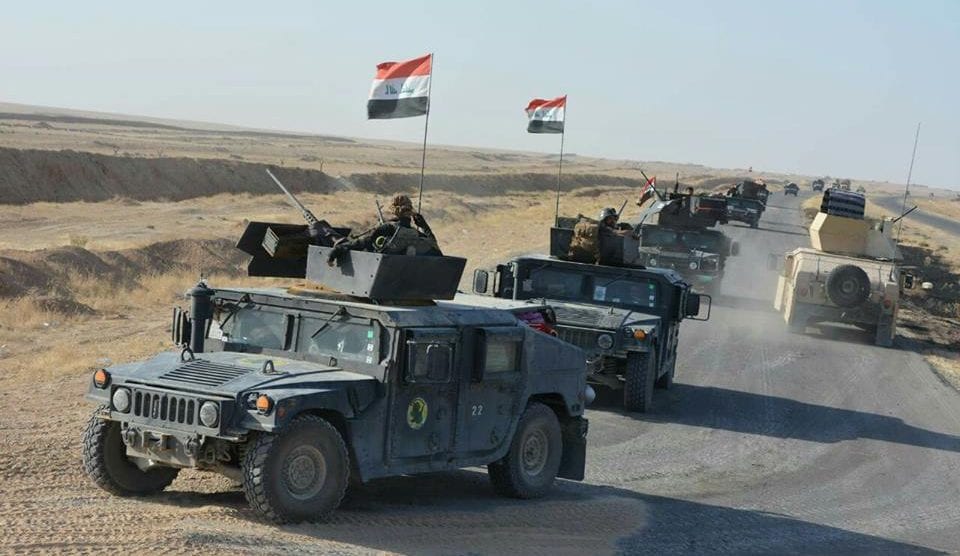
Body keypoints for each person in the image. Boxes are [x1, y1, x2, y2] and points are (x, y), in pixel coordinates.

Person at [327, 194, 442, 265]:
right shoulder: (416, 234)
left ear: (393, 210)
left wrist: (339, 249)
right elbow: (436, 249)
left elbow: (364, 242)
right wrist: (424, 226)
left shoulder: (388, 228)